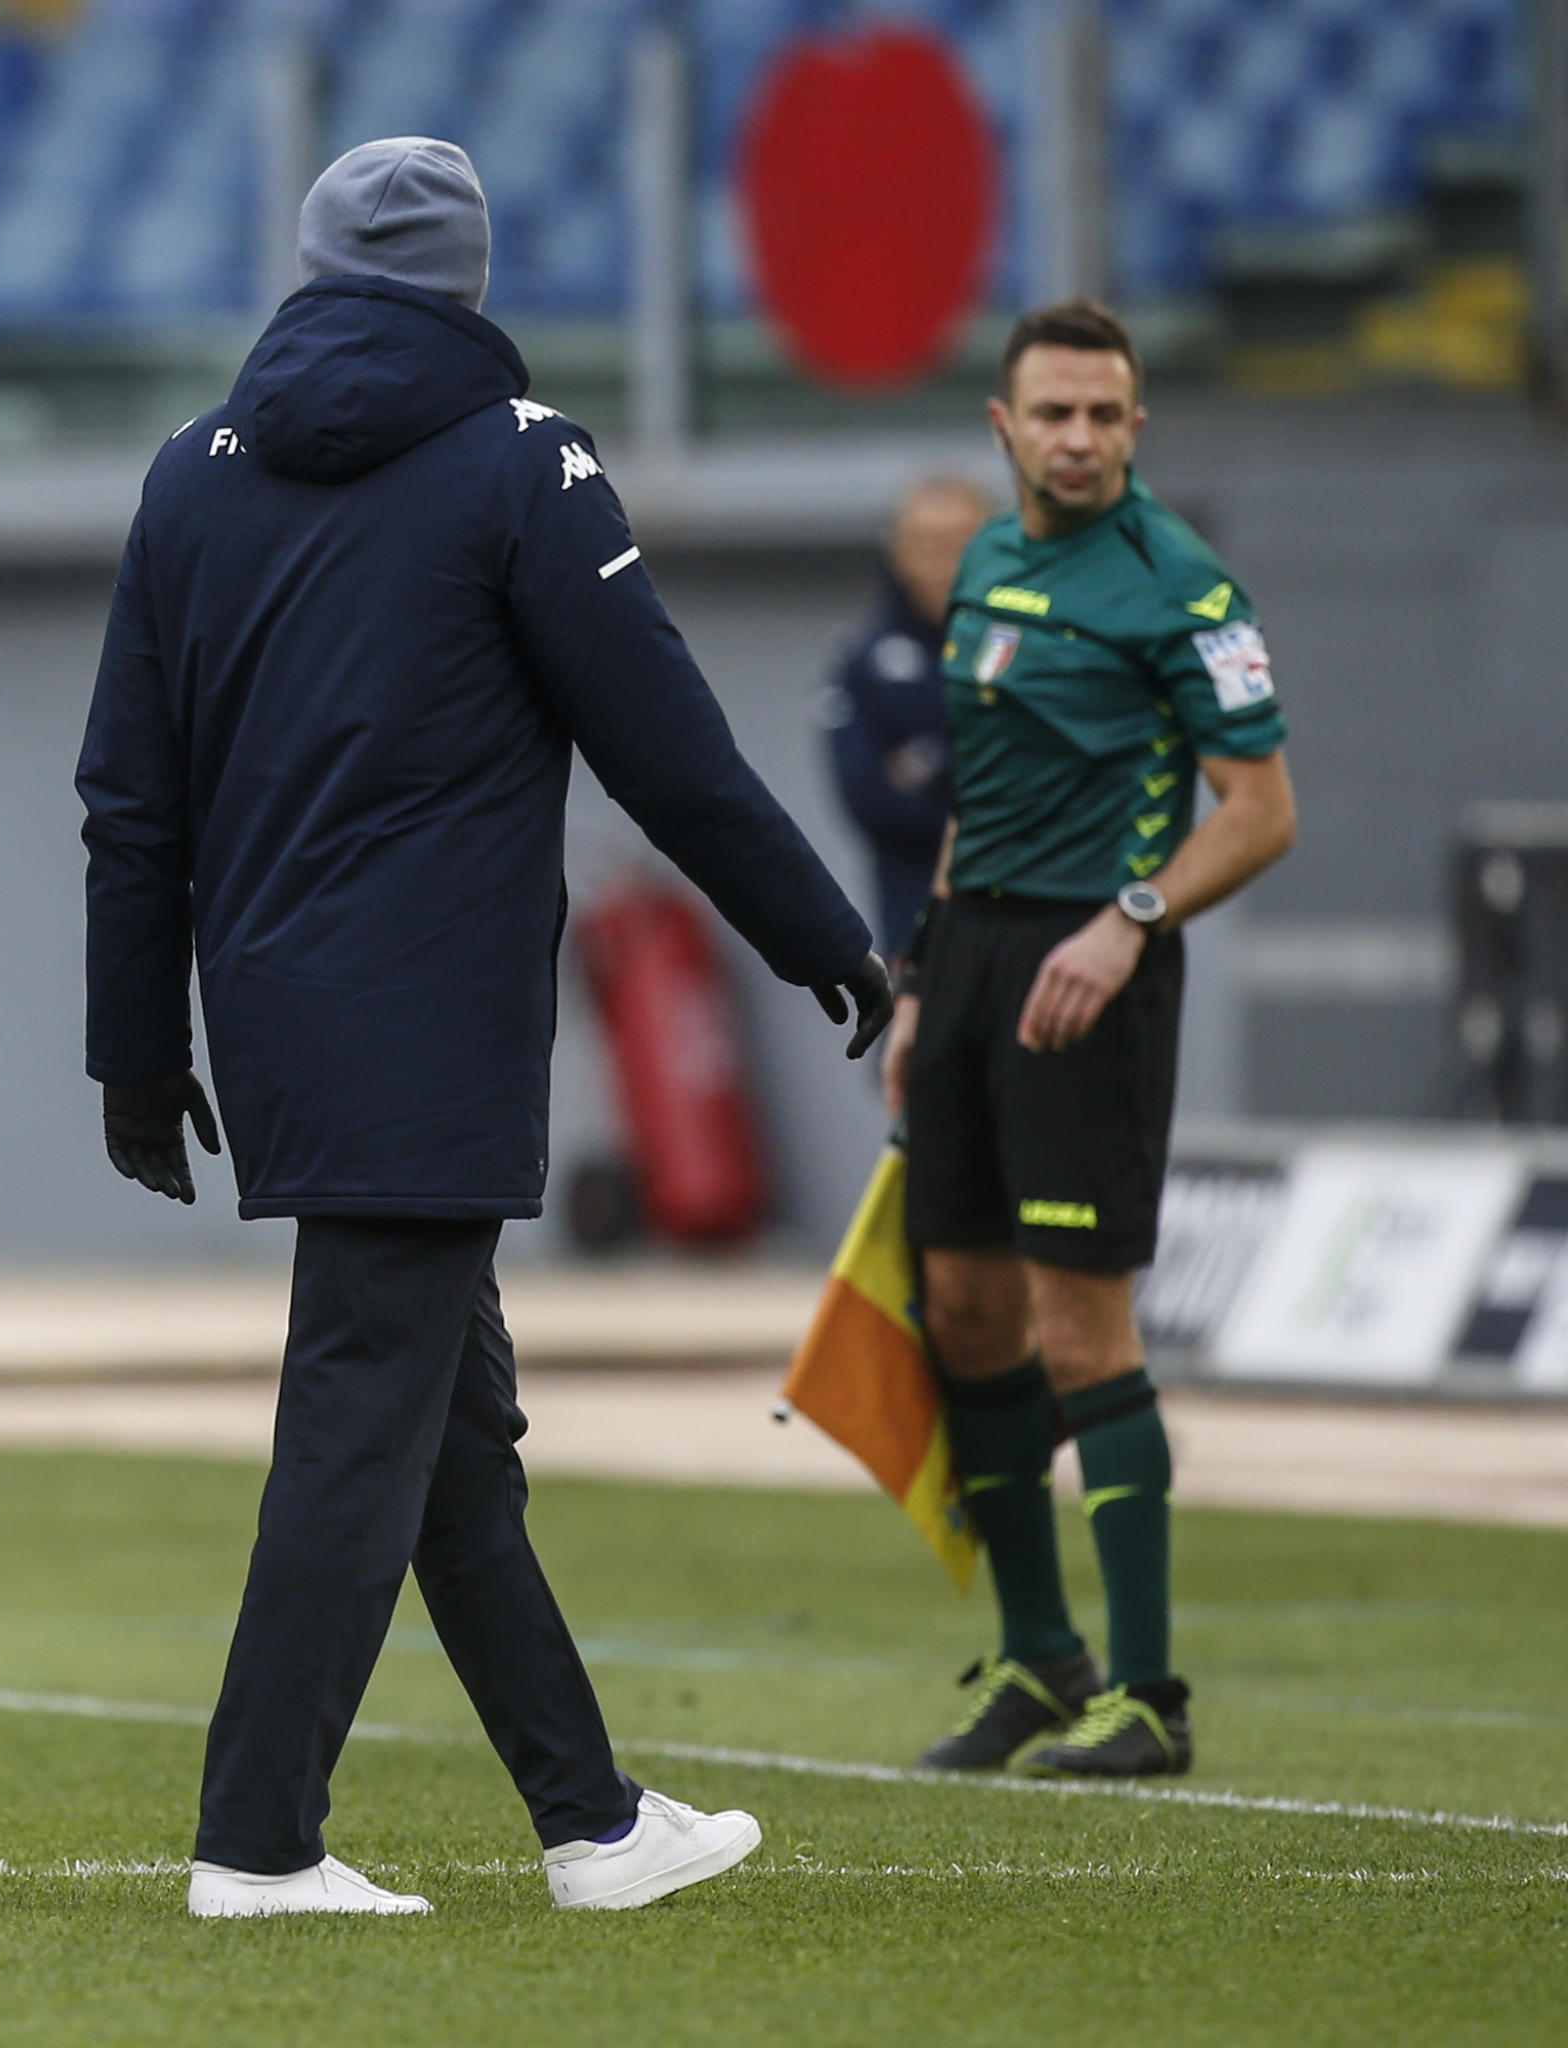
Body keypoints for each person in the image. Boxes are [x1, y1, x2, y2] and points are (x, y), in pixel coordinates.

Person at [77, 138, 889, 1920]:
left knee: (446, 1434)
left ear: (304, 268)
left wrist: (136, 1046)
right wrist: (821, 931)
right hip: (432, 1023)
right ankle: (257, 1841)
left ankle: (590, 1817)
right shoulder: (522, 460)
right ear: (468, 279)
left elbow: (126, 800)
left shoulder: (184, 476)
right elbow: (662, 738)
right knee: (364, 1421)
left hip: (279, 1022)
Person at [887, 301, 1296, 1779]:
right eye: (1052, 414)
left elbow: (1261, 811)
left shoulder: (1184, 589)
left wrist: (1128, 919)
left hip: (1091, 971)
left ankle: (1151, 1695)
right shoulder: (987, 562)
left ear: (1137, 426)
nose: (1078, 438)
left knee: (1079, 1331)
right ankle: (1043, 1659)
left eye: (1104, 416)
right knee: (963, 1309)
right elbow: (975, 798)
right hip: (977, 961)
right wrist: (927, 979)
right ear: (1004, 428)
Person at [825, 476, 989, 949]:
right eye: (929, 545)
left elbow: (1043, 789)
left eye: (960, 545)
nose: (945, 564)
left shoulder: (1033, 651)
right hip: (918, 930)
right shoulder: (863, 660)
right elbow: (866, 798)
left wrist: (929, 764)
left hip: (1036, 927)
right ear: (898, 552)